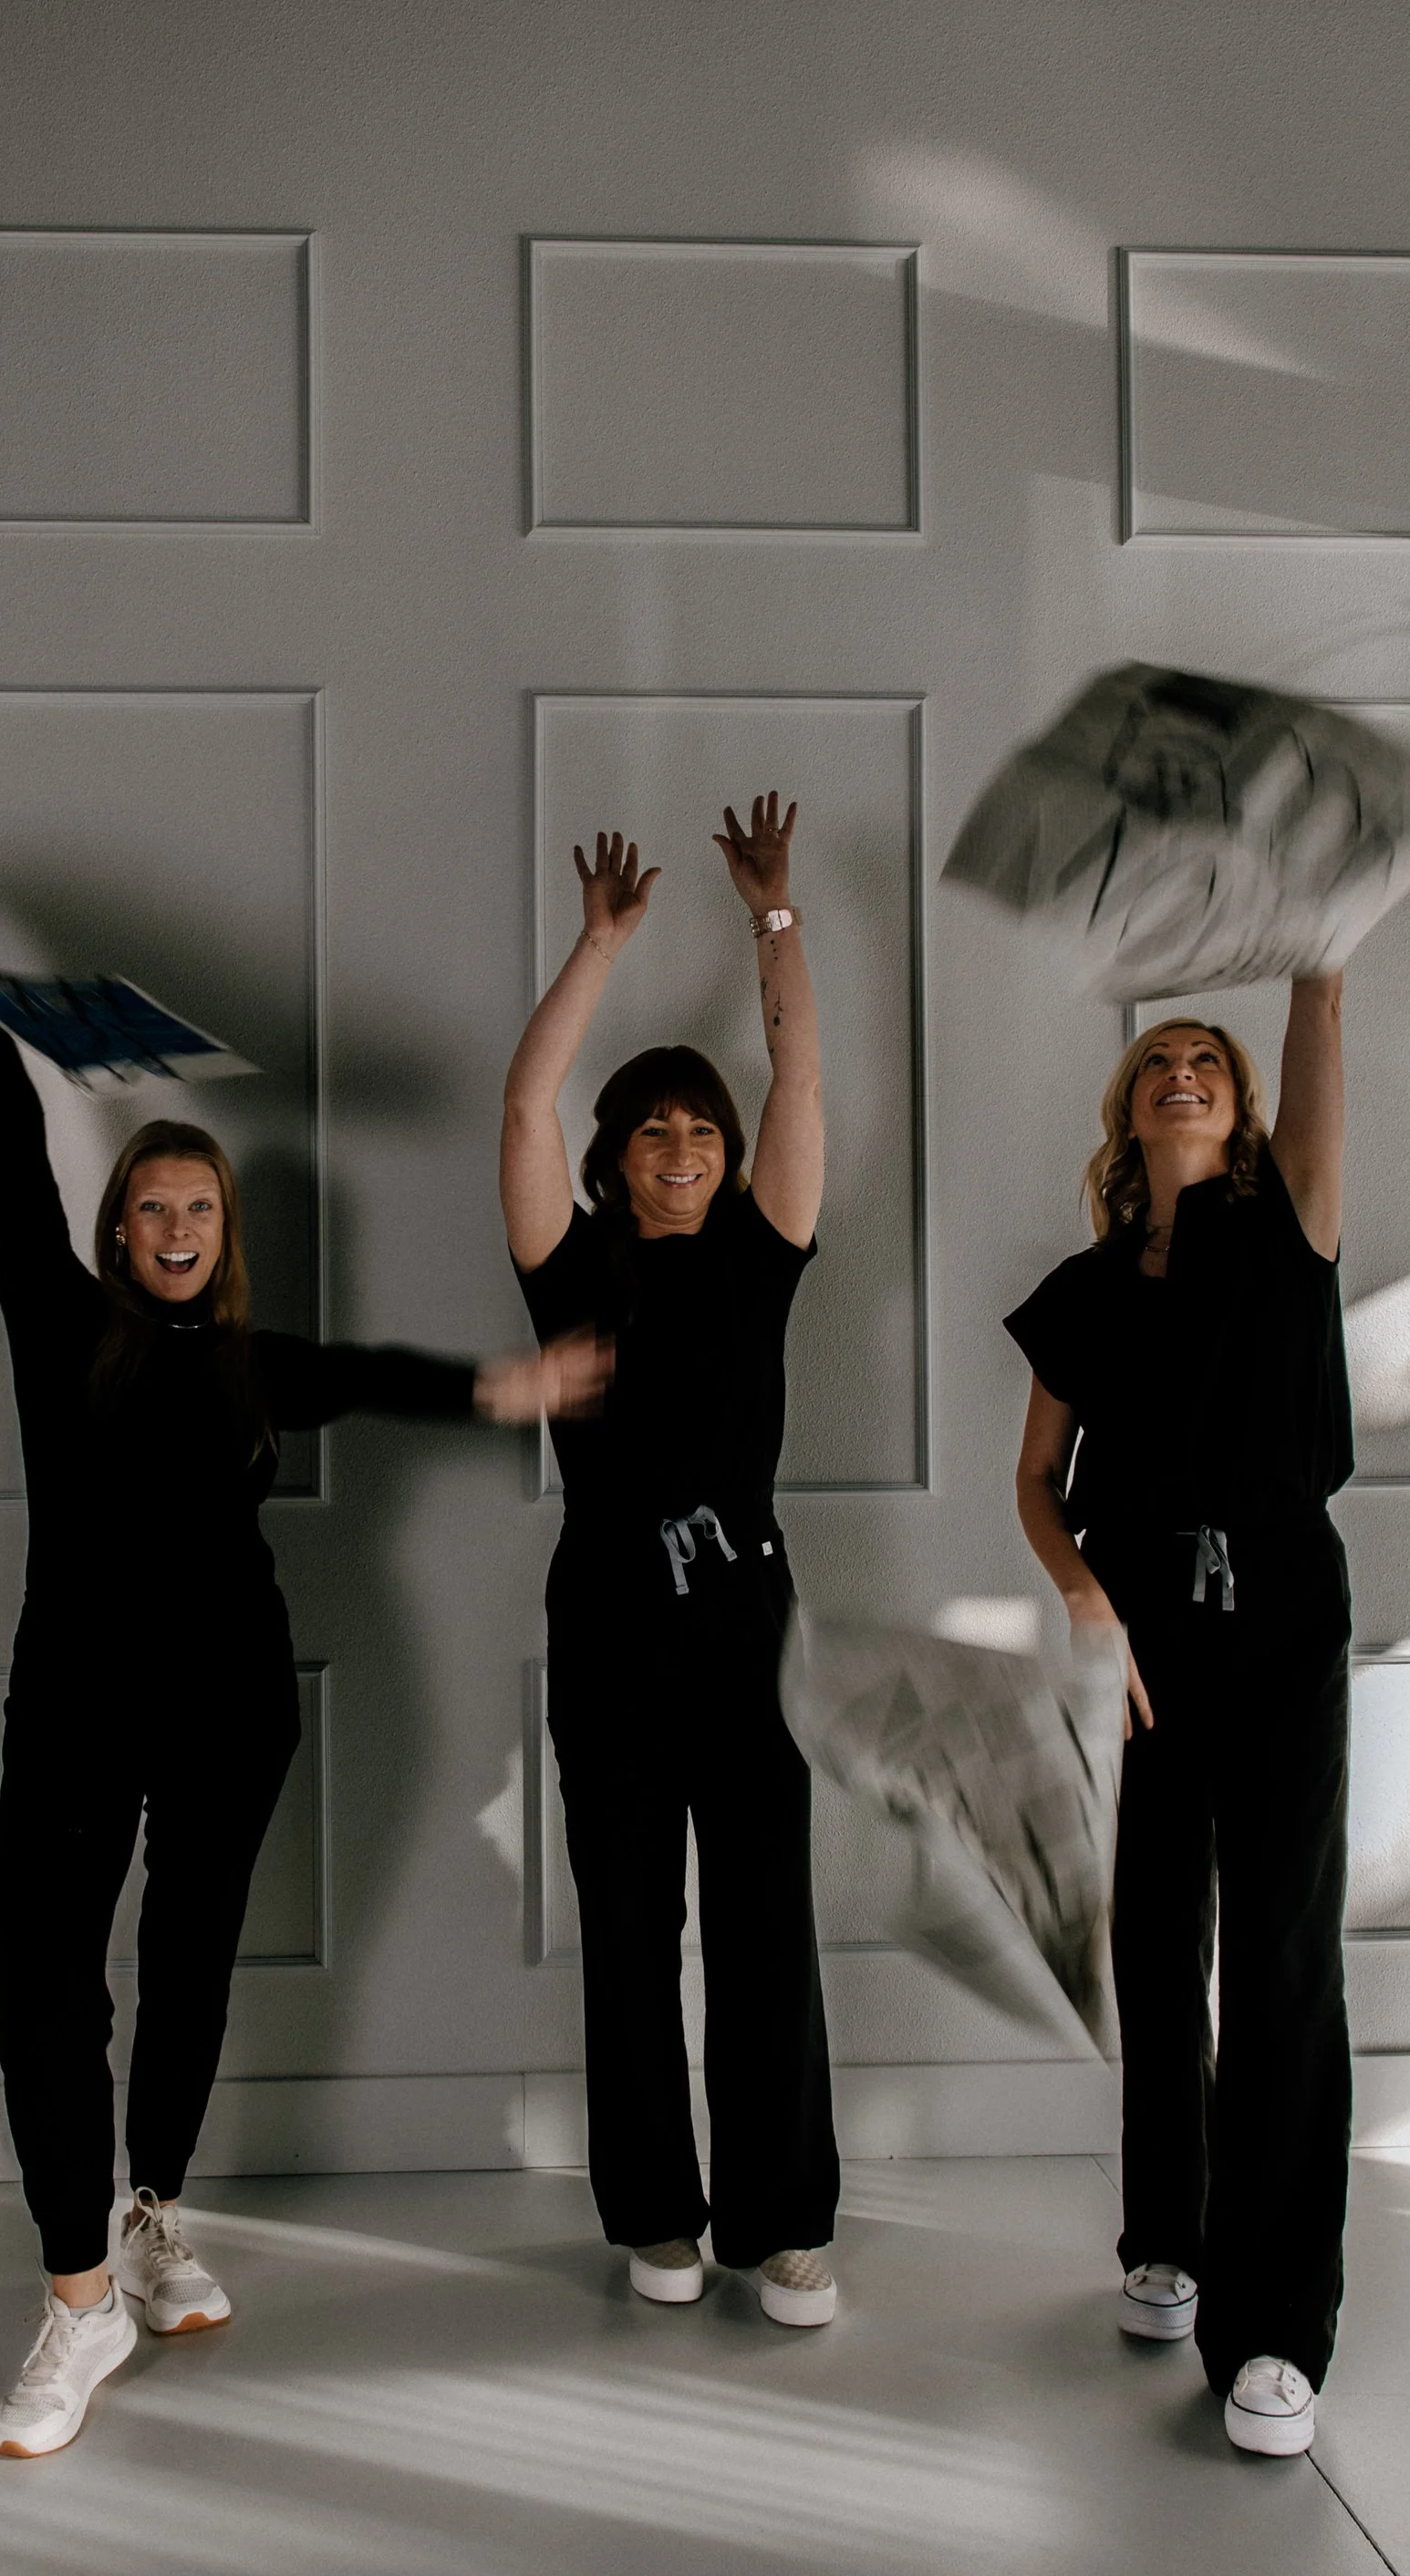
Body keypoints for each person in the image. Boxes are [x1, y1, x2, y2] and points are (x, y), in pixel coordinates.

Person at [0, 864, 607, 2458]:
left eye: (196, 1210)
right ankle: (75, 2308)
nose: (170, 1228)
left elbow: (372, 1375)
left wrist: (514, 1387)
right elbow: (15, 1132)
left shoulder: (248, 1361)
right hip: (76, 1703)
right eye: (149, 1207)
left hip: (232, 1706)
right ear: (115, 1228)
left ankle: (150, 2219)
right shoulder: (52, 1319)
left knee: (193, 1971)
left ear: (223, 1234)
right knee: (46, 1996)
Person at [500, 793, 841, 2327]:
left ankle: (782, 2223)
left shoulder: (765, 1257)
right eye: (657, 1132)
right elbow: (520, 1112)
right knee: (631, 1923)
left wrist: (774, 919)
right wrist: (598, 946)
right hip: (614, 1612)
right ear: (620, 1159)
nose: (687, 1150)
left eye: (703, 1130)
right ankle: (656, 2215)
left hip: (749, 1613)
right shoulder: (570, 1272)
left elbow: (804, 1077)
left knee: (765, 1917)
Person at [1006, 978, 1352, 2458]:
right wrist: (1088, 1602)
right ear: (1127, 1109)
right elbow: (1034, 1483)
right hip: (1144, 1640)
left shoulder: (1290, 1236)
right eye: (1161, 1060)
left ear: (1244, 1103)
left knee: (1279, 1962)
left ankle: (1275, 2330)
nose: (1186, 1072)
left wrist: (1319, 969)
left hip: (1280, 1622)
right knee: (1158, 1942)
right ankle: (1171, 2239)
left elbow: (1321, 1056)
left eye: (1211, 1061)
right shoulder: (1084, 1292)